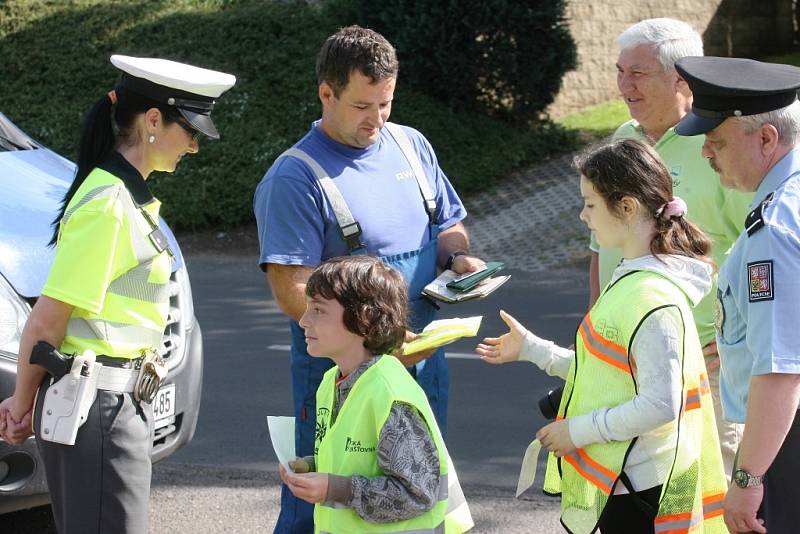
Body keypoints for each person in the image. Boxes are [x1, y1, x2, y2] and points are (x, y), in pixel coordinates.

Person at [254, 25, 483, 533]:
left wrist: (459, 257)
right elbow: (292, 288)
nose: (377, 120)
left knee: (418, 496)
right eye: (362, 106)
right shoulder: (294, 178)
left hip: (422, 363)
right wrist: (377, 343)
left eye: (386, 104)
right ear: (327, 93)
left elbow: (447, 222)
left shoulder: (411, 146)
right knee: (320, 502)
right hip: (342, 378)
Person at [0, 55, 235, 533]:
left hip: (113, 406)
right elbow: (47, 320)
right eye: (189, 130)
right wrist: (21, 401)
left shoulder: (126, 197)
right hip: (99, 409)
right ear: (153, 121)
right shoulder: (110, 203)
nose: (193, 146)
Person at [479, 139, 728, 533]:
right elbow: (607, 371)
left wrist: (575, 432)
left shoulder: (653, 296)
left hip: (640, 488)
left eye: (591, 204)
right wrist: (534, 350)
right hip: (628, 480)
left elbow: (661, 404)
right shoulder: (635, 276)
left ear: (627, 207)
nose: (583, 215)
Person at [588, 18, 750, 477]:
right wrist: (596, 324)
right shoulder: (624, 141)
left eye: (637, 73)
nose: (623, 85)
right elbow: (602, 248)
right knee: (645, 492)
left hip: (705, 363)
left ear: (682, 78)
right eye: (620, 71)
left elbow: (758, 250)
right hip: (627, 356)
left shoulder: (720, 143)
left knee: (713, 492)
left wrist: (741, 338)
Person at [674, 56, 800, 534]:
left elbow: (781, 371)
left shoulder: (775, 228)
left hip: (789, 437)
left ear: (766, 139)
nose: (707, 154)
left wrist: (747, 479)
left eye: (717, 142)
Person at [279, 256, 472, 533]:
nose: (303, 321)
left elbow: (417, 494)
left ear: (364, 317)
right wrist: (311, 467)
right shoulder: (331, 381)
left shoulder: (389, 395)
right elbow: (356, 458)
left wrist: (335, 488)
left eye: (318, 310)